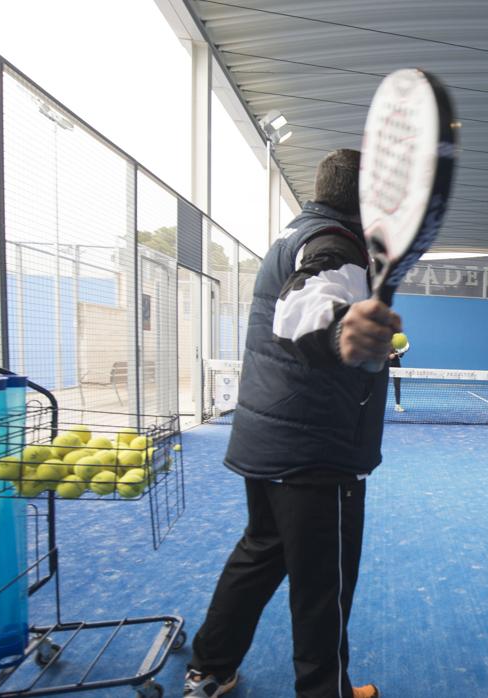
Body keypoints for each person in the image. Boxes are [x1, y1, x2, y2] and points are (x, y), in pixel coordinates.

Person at [184, 149, 395, 698]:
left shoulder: (297, 234)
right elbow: (305, 307)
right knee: (323, 587)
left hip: (270, 443)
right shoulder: (336, 245)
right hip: (315, 451)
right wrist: (339, 332)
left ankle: (210, 667)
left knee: (260, 553)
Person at [388, 339, 408, 412]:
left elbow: (401, 355)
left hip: (396, 366)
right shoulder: (385, 340)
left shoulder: (398, 342)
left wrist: (400, 354)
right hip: (385, 365)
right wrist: (388, 356)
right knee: (380, 386)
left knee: (397, 386)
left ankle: (397, 405)